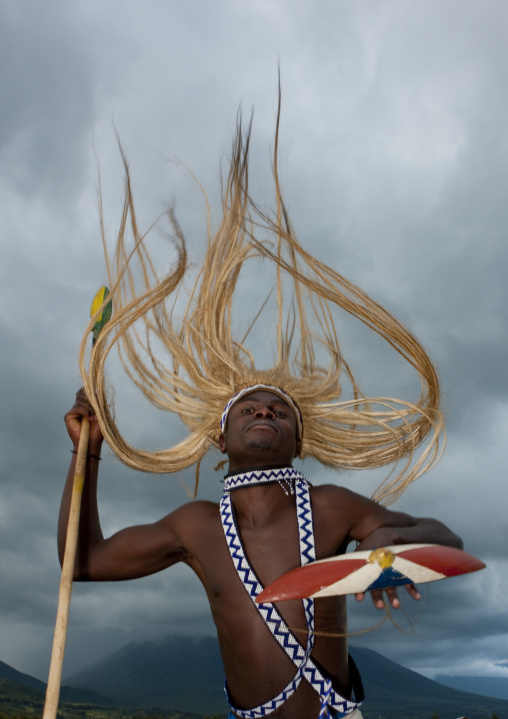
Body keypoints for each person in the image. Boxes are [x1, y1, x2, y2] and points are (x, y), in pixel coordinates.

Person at [60, 96, 462, 717]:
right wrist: (83, 456)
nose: (265, 412)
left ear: (300, 440)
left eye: (279, 409)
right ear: (220, 438)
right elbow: (79, 564)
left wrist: (386, 541)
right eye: (248, 409)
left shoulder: (332, 508)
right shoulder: (193, 527)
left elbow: (446, 538)